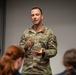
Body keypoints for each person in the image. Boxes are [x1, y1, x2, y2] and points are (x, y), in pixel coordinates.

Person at [19, 7, 58, 75]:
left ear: (42, 16)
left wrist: (44, 52)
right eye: (32, 15)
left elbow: (54, 50)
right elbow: (19, 52)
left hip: (43, 71)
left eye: (37, 15)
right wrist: (25, 47)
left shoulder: (49, 32)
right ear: (30, 17)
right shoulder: (26, 32)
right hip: (27, 71)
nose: (34, 17)